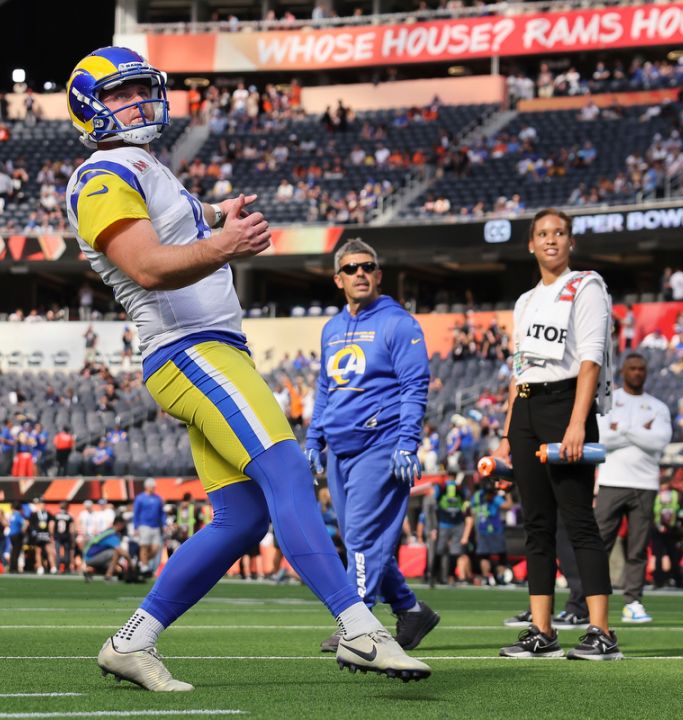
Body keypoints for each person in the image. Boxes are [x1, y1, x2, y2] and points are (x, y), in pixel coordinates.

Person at [63, 46, 427, 690]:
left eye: (143, 88)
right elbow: (146, 264)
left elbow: (180, 220)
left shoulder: (144, 167)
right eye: (122, 94)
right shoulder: (100, 175)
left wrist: (218, 216)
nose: (139, 101)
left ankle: (133, 641)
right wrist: (225, 243)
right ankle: (360, 628)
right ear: (91, 109)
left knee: (242, 519)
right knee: (286, 467)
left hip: (206, 349)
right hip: (187, 347)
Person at [492, 208, 621, 661]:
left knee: (578, 520)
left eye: (559, 233)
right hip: (526, 407)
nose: (551, 240)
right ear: (531, 244)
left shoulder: (585, 286)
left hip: (567, 404)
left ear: (571, 242)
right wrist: (509, 432)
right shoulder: (525, 301)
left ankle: (602, 631)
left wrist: (575, 423)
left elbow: (590, 360)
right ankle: (541, 631)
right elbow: (518, 369)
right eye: (542, 234)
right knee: (537, 525)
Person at [304, 239, 440, 654]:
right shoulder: (330, 328)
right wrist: (313, 439)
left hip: (380, 445)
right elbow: (326, 388)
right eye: (351, 268)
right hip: (340, 450)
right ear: (338, 279)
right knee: (361, 543)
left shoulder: (399, 323)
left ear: (379, 275)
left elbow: (416, 386)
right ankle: (411, 609)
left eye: (368, 267)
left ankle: (357, 623)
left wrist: (406, 443)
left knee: (361, 539)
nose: (360, 273)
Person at [593, 353, 672, 623]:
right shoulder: (608, 400)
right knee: (599, 544)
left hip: (645, 484)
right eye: (632, 368)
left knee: (637, 548)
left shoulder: (658, 407)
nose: (637, 373)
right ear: (623, 371)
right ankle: (588, 601)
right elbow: (602, 438)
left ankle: (633, 602)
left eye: (641, 369)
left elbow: (659, 442)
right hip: (611, 481)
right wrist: (639, 431)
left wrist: (623, 430)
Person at [132, 478, 165, 573]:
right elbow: (136, 513)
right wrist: (136, 527)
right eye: (152, 487)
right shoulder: (140, 498)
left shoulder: (158, 498)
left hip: (155, 526)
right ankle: (144, 566)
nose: (154, 488)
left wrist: (164, 524)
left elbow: (161, 513)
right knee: (144, 546)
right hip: (144, 525)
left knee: (156, 549)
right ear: (147, 487)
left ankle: (142, 561)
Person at [27, 498, 54, 574]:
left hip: (46, 535)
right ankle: (40, 567)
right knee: (38, 551)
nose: (42, 506)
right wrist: (33, 532)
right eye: (41, 504)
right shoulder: (34, 514)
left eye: (43, 504)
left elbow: (51, 524)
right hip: (38, 535)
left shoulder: (48, 514)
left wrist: (51, 534)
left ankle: (53, 567)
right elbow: (31, 524)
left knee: (49, 551)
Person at [53, 503, 77, 574]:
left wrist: (52, 536)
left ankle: (58, 568)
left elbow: (52, 526)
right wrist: (73, 539)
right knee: (67, 553)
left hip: (58, 536)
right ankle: (66, 568)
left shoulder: (56, 515)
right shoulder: (69, 516)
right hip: (66, 536)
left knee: (57, 553)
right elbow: (72, 529)